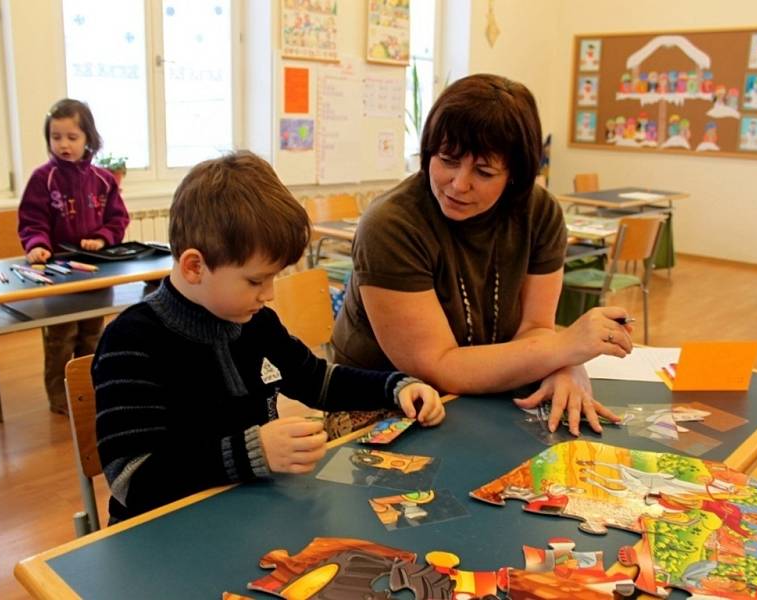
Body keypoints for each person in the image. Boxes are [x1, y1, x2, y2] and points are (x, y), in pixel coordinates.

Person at [92, 151, 444, 523]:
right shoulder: (131, 342)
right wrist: (250, 452)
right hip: (162, 534)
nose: (269, 293)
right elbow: (132, 480)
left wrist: (395, 386)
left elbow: (317, 381)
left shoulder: (256, 321)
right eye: (256, 280)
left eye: (275, 277)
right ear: (195, 266)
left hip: (247, 517)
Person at [331, 74, 633, 439]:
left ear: (515, 177)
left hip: (488, 389)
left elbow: (535, 329)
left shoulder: (539, 213)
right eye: (447, 160)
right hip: (385, 399)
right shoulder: (391, 226)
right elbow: (440, 367)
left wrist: (567, 365)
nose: (459, 184)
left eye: (484, 171)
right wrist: (566, 347)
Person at [18, 98, 129, 415]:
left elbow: (118, 220)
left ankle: (87, 392)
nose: (63, 144)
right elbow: (32, 220)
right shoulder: (43, 178)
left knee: (92, 336)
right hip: (58, 274)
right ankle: (59, 398)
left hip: (95, 272)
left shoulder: (104, 179)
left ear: (88, 139)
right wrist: (37, 244)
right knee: (61, 338)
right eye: (56, 137)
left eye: (72, 137)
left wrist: (102, 237)